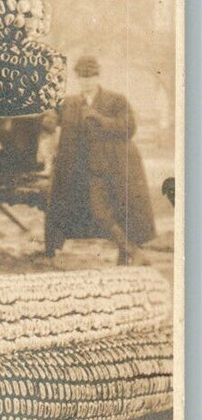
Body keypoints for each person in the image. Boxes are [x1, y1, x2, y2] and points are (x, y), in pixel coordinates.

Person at [42, 54, 156, 265]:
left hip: (113, 170)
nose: (86, 81)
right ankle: (131, 252)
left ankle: (129, 252)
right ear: (78, 79)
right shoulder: (69, 103)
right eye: (82, 77)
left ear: (97, 77)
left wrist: (100, 120)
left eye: (90, 76)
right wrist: (49, 120)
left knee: (111, 212)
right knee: (96, 212)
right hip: (81, 171)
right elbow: (52, 118)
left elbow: (129, 127)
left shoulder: (116, 100)